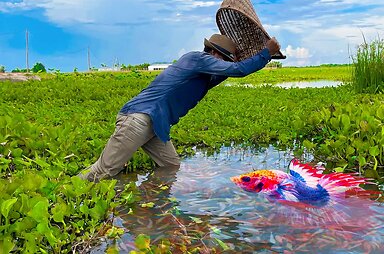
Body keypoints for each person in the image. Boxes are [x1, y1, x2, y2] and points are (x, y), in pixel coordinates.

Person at [78, 34, 281, 182]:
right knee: (105, 170)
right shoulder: (197, 59)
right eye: (225, 59)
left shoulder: (204, 75)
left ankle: (151, 201)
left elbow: (233, 71)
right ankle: (64, 192)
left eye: (228, 61)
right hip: (139, 118)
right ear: (213, 52)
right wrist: (266, 53)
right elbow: (238, 70)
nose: (225, 64)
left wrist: (257, 57)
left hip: (156, 125)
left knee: (170, 165)